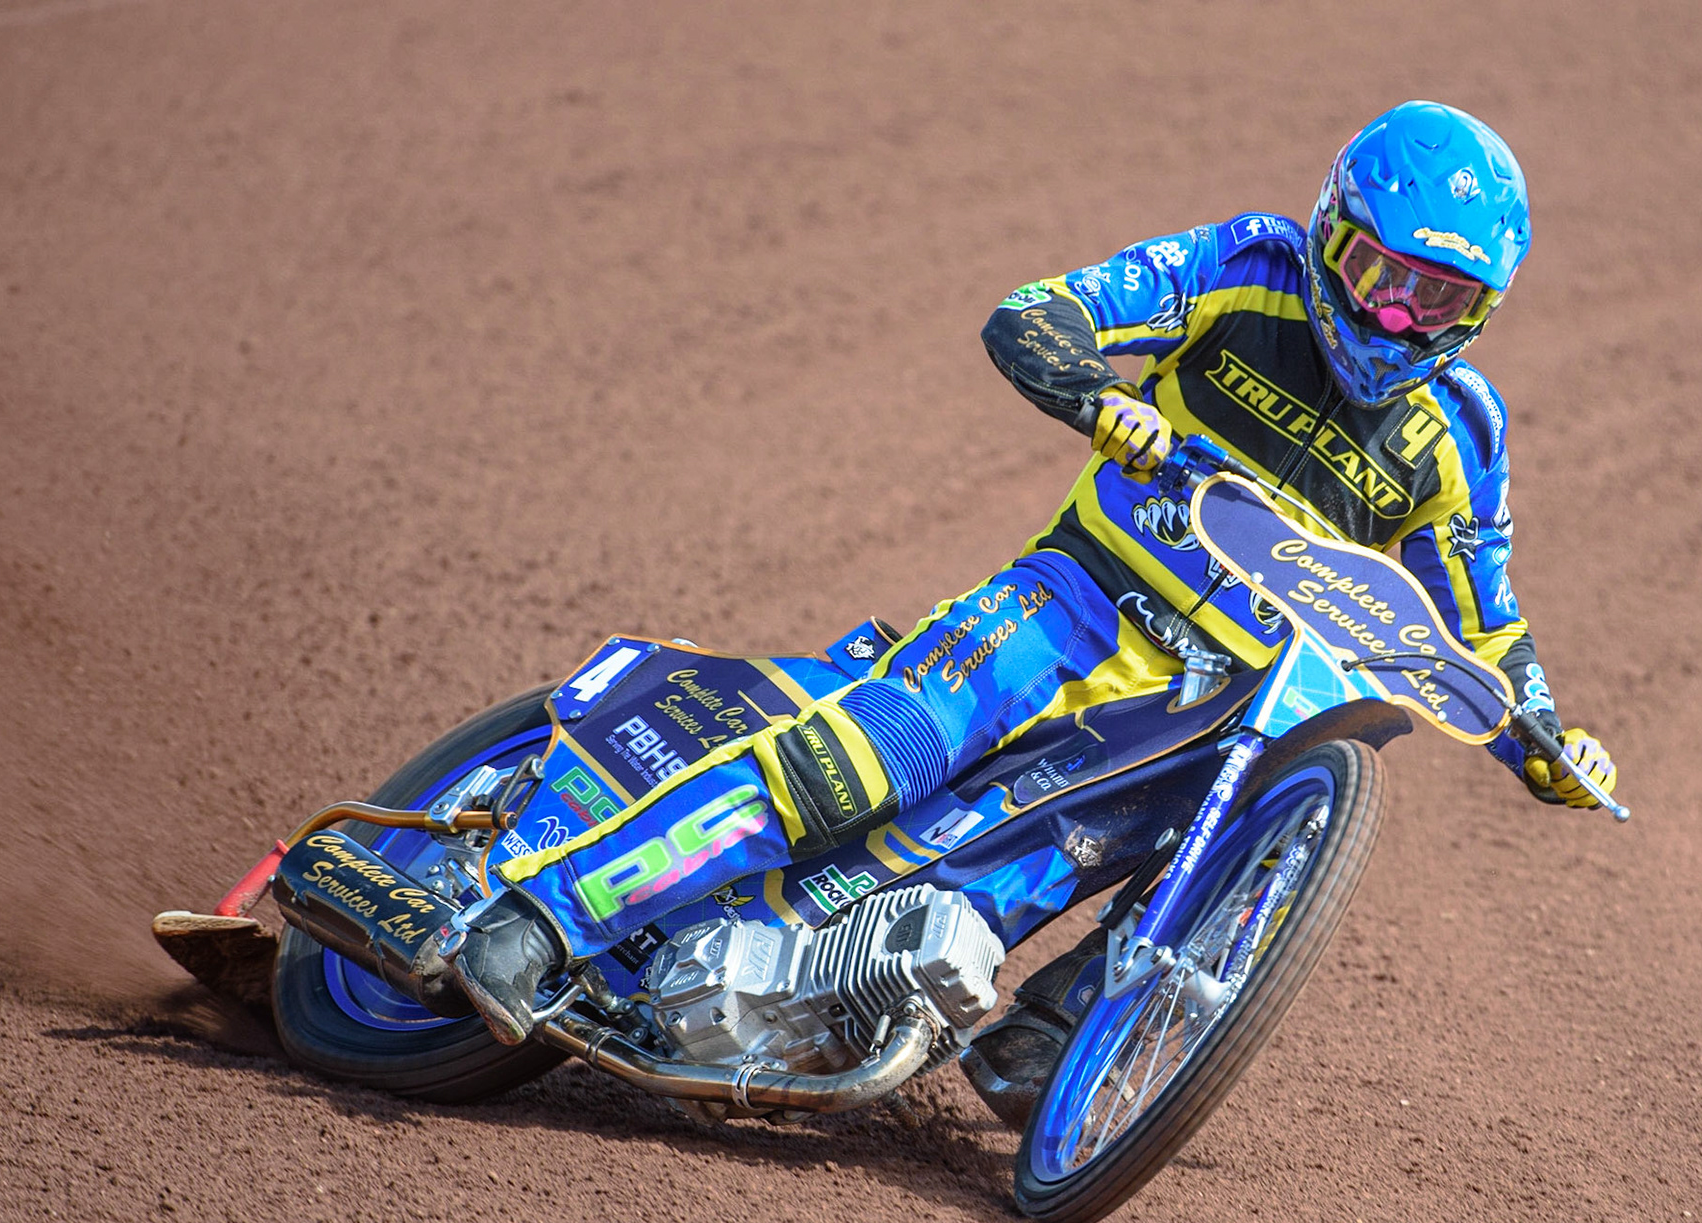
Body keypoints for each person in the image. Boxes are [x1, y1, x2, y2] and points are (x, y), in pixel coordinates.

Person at [447, 102, 1617, 1120]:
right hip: (1070, 605)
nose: (1398, 317)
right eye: (1379, 277)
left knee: (1209, 816)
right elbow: (1041, 313)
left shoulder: (1462, 433)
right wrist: (1102, 401)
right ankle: (542, 921)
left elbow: (1486, 619)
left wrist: (1548, 737)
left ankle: (1056, 1032)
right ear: (1330, 233)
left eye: (1440, 296)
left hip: (1198, 704)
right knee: (859, 762)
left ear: (1483, 308)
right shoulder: (1247, 269)